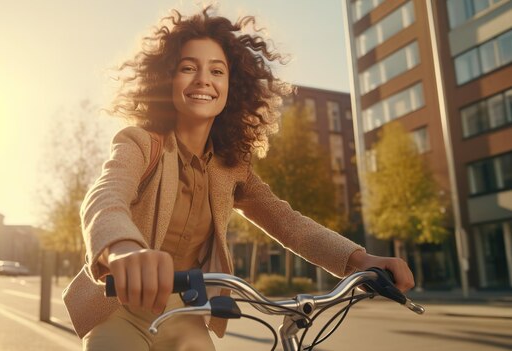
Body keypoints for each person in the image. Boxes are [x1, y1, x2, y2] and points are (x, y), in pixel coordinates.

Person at [63, 6, 415, 351]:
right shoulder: (141, 142)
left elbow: (289, 223)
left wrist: (361, 261)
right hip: (119, 309)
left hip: (185, 313)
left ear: (233, 86)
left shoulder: (232, 167)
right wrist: (123, 250)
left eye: (217, 71)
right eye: (188, 67)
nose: (203, 79)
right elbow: (105, 196)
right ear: (167, 78)